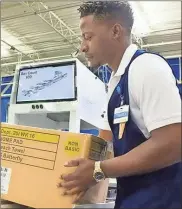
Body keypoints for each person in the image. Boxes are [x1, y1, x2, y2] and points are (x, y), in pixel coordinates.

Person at [58, 1, 182, 208]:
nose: (83, 47)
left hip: (162, 201)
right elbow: (103, 145)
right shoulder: (114, 84)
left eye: (88, 37)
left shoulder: (146, 68)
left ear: (116, 31)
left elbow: (174, 142)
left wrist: (98, 170)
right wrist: (70, 172)